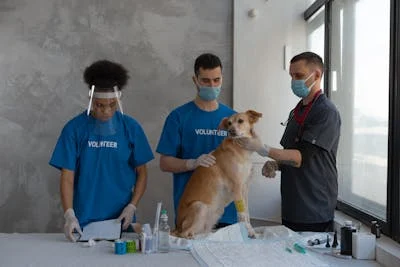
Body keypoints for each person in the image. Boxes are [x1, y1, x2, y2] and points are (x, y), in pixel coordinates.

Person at [49, 60, 154, 242]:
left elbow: (142, 173)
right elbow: (67, 176)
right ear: (90, 100)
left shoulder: (131, 128)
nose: (106, 111)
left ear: (119, 101)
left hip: (121, 222)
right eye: (99, 105)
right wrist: (69, 214)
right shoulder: (74, 129)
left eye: (112, 105)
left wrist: (132, 206)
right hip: (84, 224)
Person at [239, 52, 341, 232]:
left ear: (317, 75)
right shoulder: (297, 112)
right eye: (291, 76)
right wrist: (276, 164)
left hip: (313, 208)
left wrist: (262, 148)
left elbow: (301, 157)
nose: (294, 81)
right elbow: (290, 151)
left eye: (299, 76)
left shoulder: (326, 112)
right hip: (291, 206)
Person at [156, 53, 237, 228]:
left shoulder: (233, 119)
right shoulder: (178, 117)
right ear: (195, 80)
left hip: (227, 214)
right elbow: (164, 163)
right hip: (194, 214)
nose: (212, 85)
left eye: (216, 80)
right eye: (206, 81)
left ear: (222, 79)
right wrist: (191, 163)